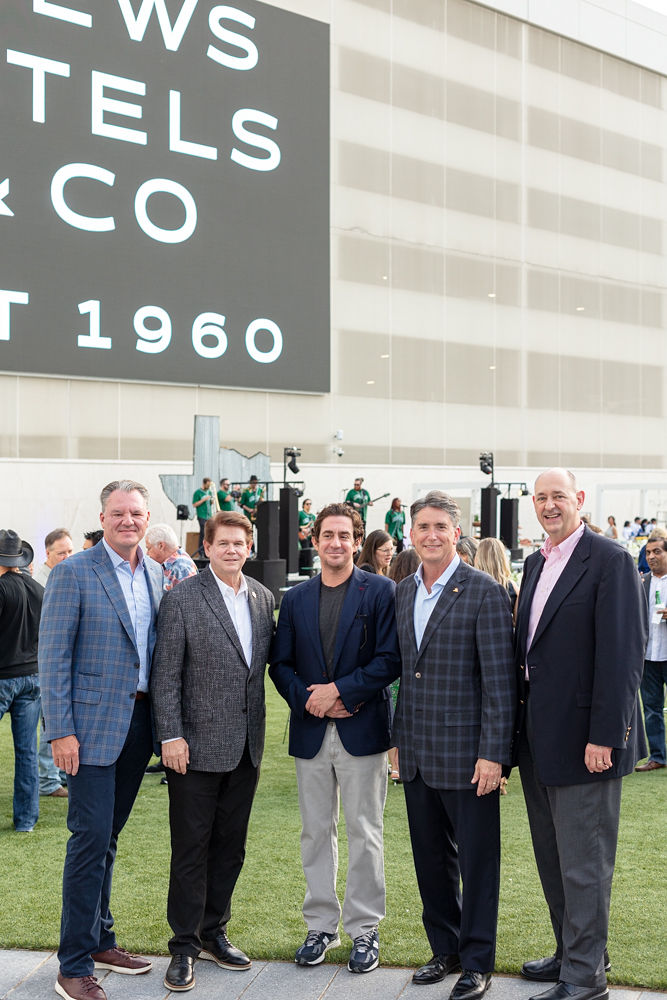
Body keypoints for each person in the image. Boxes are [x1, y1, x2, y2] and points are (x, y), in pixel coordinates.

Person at [514, 469, 647, 1000]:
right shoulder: (533, 561)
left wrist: (606, 736)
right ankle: (576, 953)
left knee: (585, 863)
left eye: (558, 496)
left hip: (587, 741)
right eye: (541, 497)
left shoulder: (611, 560)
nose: (549, 506)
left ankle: (585, 977)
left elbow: (622, 655)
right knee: (554, 858)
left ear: (580, 500)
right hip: (538, 738)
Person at [40, 480, 164, 1000]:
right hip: (87, 731)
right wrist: (61, 731)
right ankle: (72, 964)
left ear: (147, 516)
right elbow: (53, 658)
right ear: (103, 516)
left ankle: (100, 939)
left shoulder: (156, 573)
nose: (128, 521)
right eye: (118, 513)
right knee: (88, 841)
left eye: (136, 513)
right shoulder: (73, 572)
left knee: (107, 837)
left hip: (138, 727)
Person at [393, 491, 515, 1000]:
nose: (431, 535)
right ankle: (443, 949)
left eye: (440, 526)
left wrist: (494, 755)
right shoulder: (402, 592)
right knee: (430, 860)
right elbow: (405, 676)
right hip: (418, 755)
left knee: (478, 862)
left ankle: (476, 961)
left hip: (469, 757)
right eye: (422, 527)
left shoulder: (484, 591)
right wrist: (398, 744)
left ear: (456, 532)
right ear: (411, 533)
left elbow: (500, 683)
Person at [269, 502, 400, 974]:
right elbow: (279, 664)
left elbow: (390, 659)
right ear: (315, 540)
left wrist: (342, 693)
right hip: (310, 730)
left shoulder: (381, 591)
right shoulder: (297, 598)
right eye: (328, 535)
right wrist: (309, 698)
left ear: (357, 541)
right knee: (315, 831)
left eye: (345, 535)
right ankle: (320, 925)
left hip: (361, 728)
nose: (336, 543)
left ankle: (365, 930)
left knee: (365, 831)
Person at [151, 511, 275, 993]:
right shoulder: (183, 597)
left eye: (239, 543)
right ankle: (182, 947)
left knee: (230, 848)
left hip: (246, 749)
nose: (231, 550)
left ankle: (213, 932)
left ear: (250, 548)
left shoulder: (263, 599)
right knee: (190, 849)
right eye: (222, 543)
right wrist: (170, 735)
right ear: (206, 547)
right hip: (193, 749)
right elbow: (166, 674)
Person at [0, 530, 43, 833]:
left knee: (27, 752)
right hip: (33, 677)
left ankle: (26, 819)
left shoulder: (1, 589)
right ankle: (25, 821)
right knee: (27, 752)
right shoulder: (38, 587)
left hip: (4, 677)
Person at [33, 528, 74, 798]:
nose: (68, 556)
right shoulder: (41, 584)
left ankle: (56, 775)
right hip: (44, 665)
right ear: (48, 553)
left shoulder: (64, 575)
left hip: (60, 663)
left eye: (70, 551)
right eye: (62, 553)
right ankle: (48, 781)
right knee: (49, 723)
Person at [386, 548, 420, 783]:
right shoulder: (408, 592)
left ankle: (395, 765)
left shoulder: (392, 592)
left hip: (394, 670)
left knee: (394, 716)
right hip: (408, 667)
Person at [635, 532, 667, 772]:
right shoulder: (642, 582)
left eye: (657, 551)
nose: (652, 556)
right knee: (651, 709)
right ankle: (658, 756)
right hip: (648, 657)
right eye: (648, 552)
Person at [144, 523, 198, 591]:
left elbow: (187, 600)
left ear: (161, 546)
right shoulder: (172, 565)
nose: (147, 553)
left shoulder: (181, 568)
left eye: (149, 548)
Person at [474, 537, 518, 614]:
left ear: (478, 558)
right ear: (502, 558)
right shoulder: (512, 587)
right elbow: (518, 621)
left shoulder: (471, 585)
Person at [192, 478, 215, 557]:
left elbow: (210, 503)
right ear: (204, 483)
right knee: (203, 533)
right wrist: (204, 500)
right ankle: (201, 552)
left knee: (209, 534)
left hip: (209, 515)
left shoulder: (209, 492)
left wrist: (212, 501)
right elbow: (194, 504)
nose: (208, 487)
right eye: (208, 485)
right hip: (201, 515)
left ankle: (207, 551)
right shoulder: (197, 492)